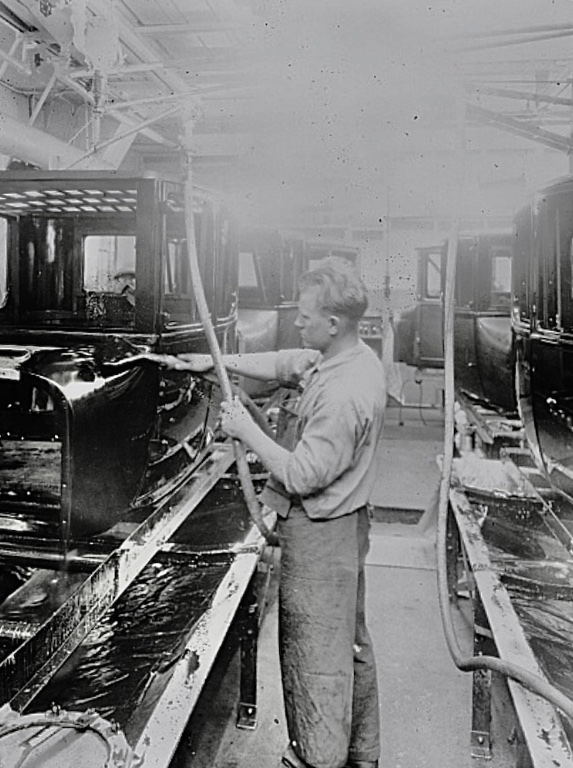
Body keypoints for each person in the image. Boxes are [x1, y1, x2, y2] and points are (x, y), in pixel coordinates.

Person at [166, 256, 386, 768]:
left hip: (321, 536)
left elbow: (302, 475)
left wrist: (247, 431)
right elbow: (288, 362)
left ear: (334, 323)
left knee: (315, 654)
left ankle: (318, 759)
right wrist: (214, 362)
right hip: (344, 527)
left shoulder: (344, 392)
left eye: (306, 317)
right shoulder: (345, 358)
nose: (297, 323)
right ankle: (361, 755)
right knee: (349, 647)